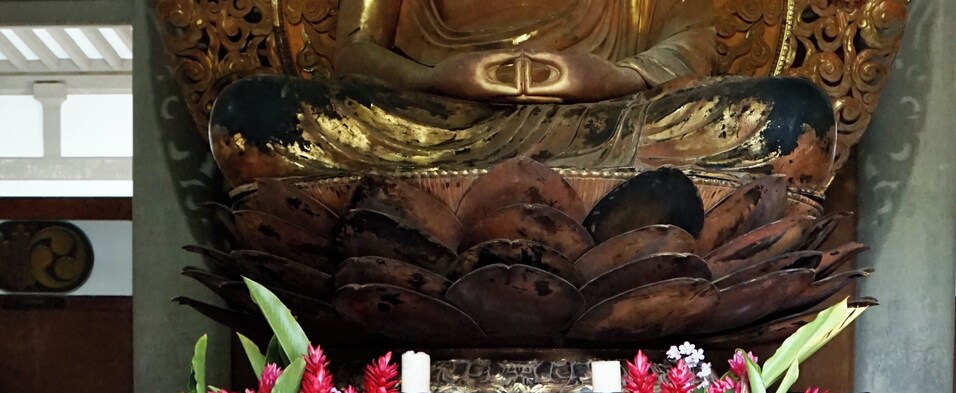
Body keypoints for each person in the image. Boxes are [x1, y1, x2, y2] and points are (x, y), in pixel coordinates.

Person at [209, 0, 837, 192]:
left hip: (611, 119)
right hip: (435, 125)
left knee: (791, 116)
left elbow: (691, 38)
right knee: (251, 120)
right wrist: (436, 78)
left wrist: (612, 77)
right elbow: (355, 49)